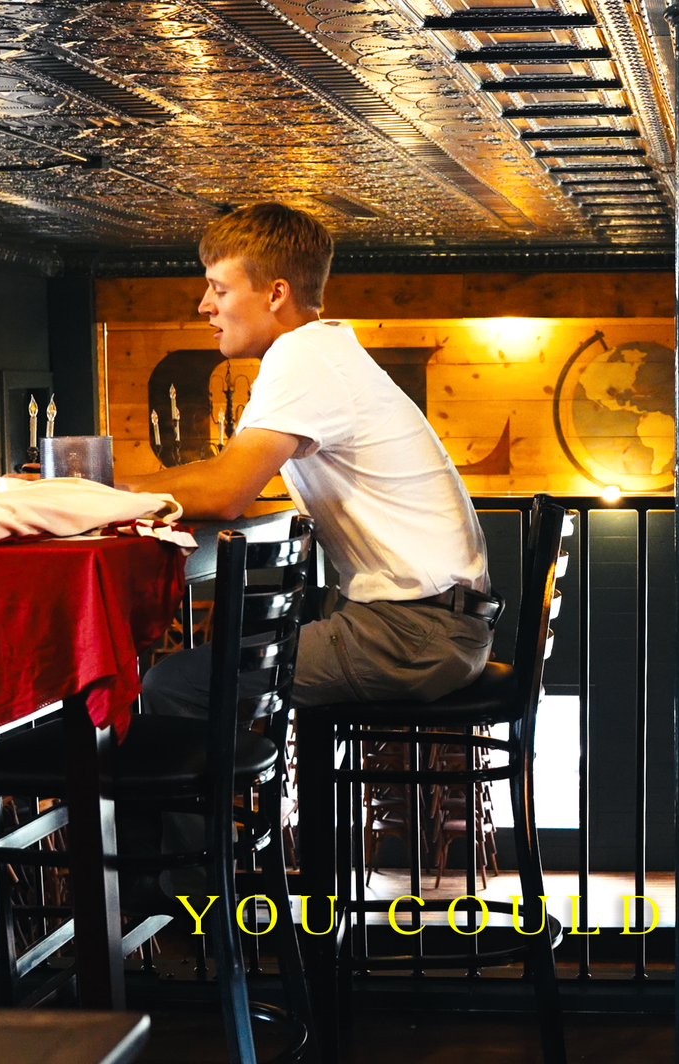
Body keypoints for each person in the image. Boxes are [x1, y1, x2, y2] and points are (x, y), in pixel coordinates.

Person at [121, 203, 498, 897]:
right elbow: (224, 474)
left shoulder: (302, 358)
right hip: (433, 620)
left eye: (219, 287)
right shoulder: (323, 352)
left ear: (275, 294)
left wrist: (88, 488)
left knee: (173, 684)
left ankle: (188, 900)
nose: (204, 305)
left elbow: (227, 489)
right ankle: (231, 852)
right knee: (228, 653)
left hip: (414, 633)